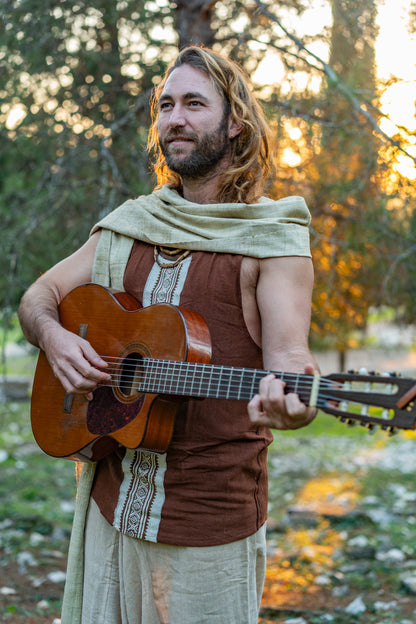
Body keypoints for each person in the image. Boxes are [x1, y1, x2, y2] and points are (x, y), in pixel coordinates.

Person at [18, 46, 318, 624]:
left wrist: (297, 404)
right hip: (111, 507)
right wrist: (55, 340)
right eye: (166, 105)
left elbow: (290, 358)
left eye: (194, 104)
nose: (174, 118)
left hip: (208, 524)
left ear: (235, 123)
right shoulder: (132, 225)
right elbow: (39, 298)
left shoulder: (273, 240)